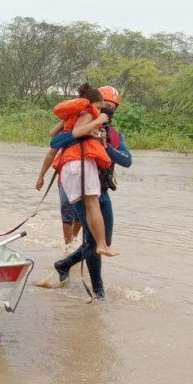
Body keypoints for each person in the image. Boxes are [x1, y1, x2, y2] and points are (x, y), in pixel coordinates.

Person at [49, 85, 132, 300]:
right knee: (94, 242)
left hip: (102, 190)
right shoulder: (82, 122)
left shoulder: (114, 135)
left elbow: (127, 161)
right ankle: (99, 291)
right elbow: (55, 142)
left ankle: (64, 264)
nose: (108, 109)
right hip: (80, 186)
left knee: (104, 240)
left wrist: (106, 148)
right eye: (105, 105)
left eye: (113, 107)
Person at [50, 84, 117, 258]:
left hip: (69, 167)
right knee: (90, 205)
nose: (103, 110)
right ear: (95, 103)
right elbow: (77, 132)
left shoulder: (74, 115)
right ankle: (100, 244)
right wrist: (97, 120)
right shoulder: (88, 113)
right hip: (80, 162)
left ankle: (74, 247)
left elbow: (53, 136)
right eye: (101, 106)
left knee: (82, 210)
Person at [35, 129, 81, 254]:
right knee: (67, 210)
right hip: (65, 177)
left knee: (80, 214)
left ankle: (74, 239)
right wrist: (41, 176)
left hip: (85, 178)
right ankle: (68, 246)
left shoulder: (93, 131)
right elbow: (51, 154)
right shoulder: (66, 134)